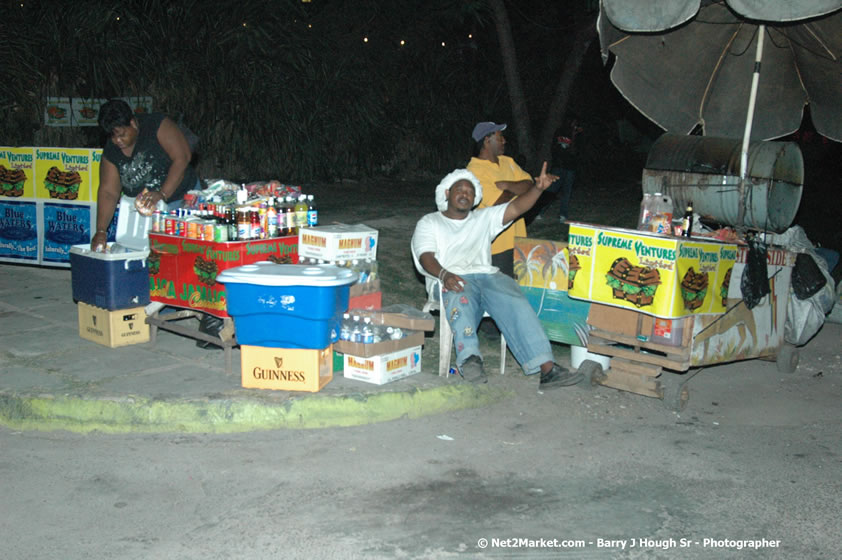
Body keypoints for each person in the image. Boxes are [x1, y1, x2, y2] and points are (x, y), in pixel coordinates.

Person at [411, 167, 584, 388]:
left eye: (470, 191)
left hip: (486, 276)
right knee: (460, 296)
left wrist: (538, 189)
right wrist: (445, 274)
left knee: (515, 299)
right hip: (447, 277)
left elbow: (516, 207)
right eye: (459, 189)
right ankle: (470, 360)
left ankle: (547, 368)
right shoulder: (430, 222)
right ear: (446, 193)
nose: (465, 194)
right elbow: (425, 255)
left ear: (475, 199)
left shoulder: (483, 218)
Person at [91, 99, 200, 252]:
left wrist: (162, 193)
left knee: (179, 253)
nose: (117, 141)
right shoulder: (111, 151)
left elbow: (182, 157)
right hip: (143, 212)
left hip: (181, 199)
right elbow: (109, 192)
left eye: (121, 135)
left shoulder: (156, 125)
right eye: (112, 137)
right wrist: (101, 230)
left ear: (133, 123)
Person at [466, 121, 534, 279]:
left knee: (517, 290)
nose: (504, 141)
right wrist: (518, 189)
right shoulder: (474, 171)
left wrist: (506, 186)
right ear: (487, 140)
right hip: (496, 246)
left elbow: (530, 186)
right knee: (500, 293)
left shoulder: (507, 162)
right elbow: (498, 204)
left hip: (519, 240)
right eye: (500, 137)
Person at [536, 117, 582, 223]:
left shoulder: (577, 135)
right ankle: (539, 212)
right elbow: (554, 148)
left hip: (570, 167)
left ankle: (563, 215)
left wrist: (574, 136)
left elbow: (574, 152)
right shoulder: (560, 131)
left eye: (576, 123)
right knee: (551, 190)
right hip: (558, 166)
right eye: (572, 122)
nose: (574, 125)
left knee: (566, 192)